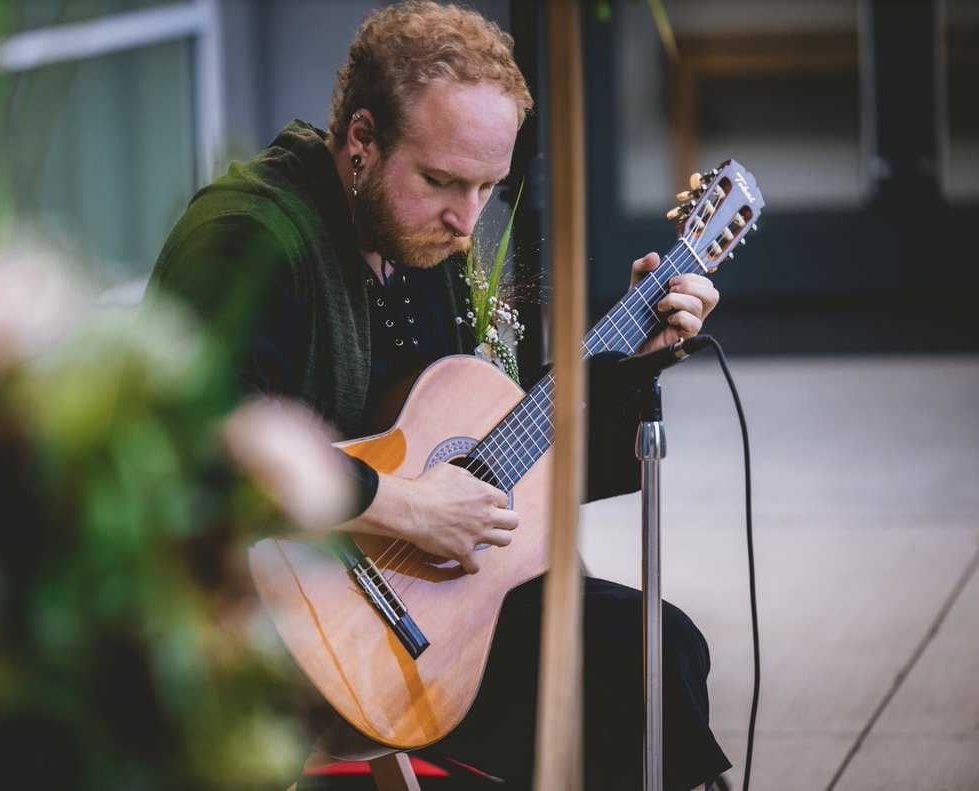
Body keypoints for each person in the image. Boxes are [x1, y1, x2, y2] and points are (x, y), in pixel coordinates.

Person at [146, 2, 730, 788]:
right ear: (361, 141)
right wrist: (407, 506)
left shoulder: (421, 242)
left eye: (488, 186)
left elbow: (493, 471)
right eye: (441, 180)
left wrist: (630, 365)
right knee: (628, 675)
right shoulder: (250, 236)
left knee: (653, 649)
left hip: (413, 622)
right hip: (264, 629)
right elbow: (197, 442)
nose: (465, 219)